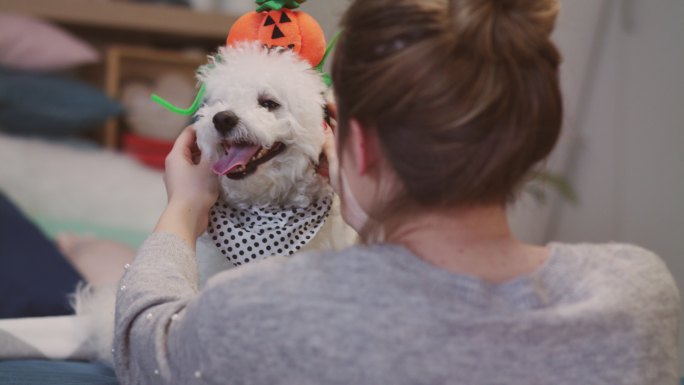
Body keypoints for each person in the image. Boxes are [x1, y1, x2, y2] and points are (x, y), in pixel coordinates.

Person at [113, 0, 681, 384]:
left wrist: (184, 210)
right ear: (533, 136)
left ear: (354, 142)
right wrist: (373, 218)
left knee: (93, 255)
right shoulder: (637, 294)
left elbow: (143, 345)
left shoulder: (259, 307)